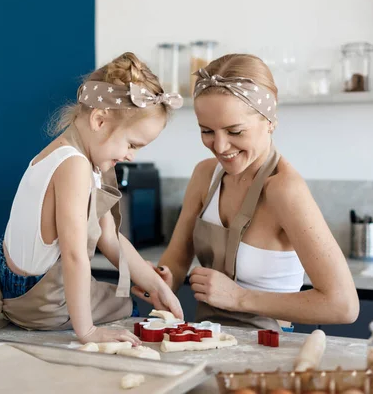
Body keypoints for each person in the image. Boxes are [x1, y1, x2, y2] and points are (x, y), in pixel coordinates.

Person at [0, 52, 184, 343]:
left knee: (118, 294)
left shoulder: (62, 154)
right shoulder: (75, 165)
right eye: (131, 144)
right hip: (44, 302)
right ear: (99, 120)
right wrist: (87, 332)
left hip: (15, 294)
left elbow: (109, 238)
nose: (130, 155)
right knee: (127, 305)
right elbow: (73, 255)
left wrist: (155, 286)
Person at [133, 54, 359, 331]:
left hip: (270, 345)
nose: (220, 146)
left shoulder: (285, 190)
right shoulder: (205, 175)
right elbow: (178, 258)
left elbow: (343, 305)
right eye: (207, 131)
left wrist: (239, 297)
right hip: (208, 337)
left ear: (270, 120)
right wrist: (161, 280)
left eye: (235, 131)